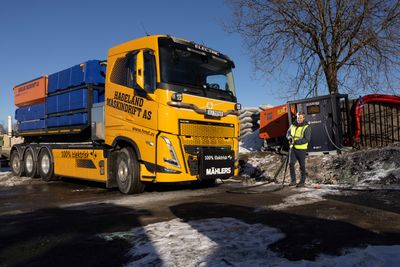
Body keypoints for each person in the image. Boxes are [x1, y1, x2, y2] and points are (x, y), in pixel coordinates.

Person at [286, 111, 311, 187]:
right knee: (291, 164)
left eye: (300, 118)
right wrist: (289, 138)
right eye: (298, 118)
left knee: (302, 166)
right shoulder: (292, 125)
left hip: (301, 149)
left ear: (303, 118)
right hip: (292, 149)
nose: (299, 119)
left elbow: (306, 139)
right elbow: (288, 133)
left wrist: (295, 141)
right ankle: (293, 181)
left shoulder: (306, 127)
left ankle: (302, 181)